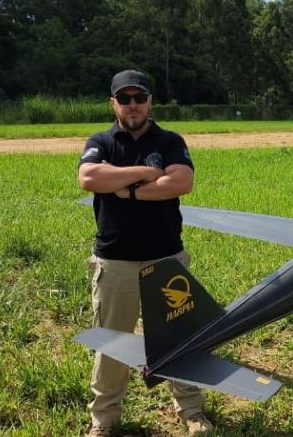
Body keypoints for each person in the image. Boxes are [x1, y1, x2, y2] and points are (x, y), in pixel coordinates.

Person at [78, 69, 212, 436]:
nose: (133, 104)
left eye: (139, 97)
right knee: (113, 341)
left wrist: (128, 189)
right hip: (116, 258)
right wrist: (146, 173)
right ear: (113, 103)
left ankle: (191, 410)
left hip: (165, 256)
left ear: (151, 101)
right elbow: (90, 178)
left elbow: (181, 182)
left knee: (179, 337)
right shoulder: (101, 140)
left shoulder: (169, 140)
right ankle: (104, 418)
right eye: (125, 98)